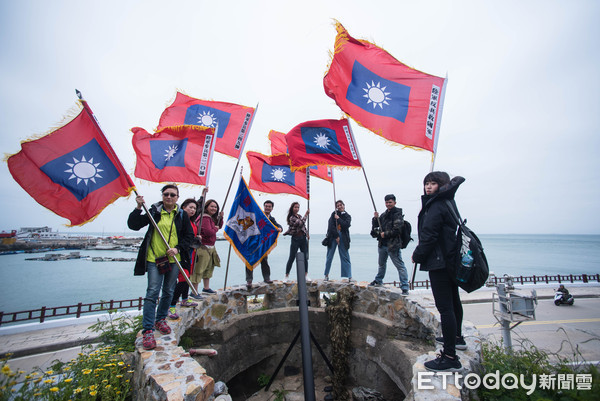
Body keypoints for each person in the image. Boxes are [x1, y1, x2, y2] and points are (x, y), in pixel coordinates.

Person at [128, 184, 194, 350]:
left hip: (174, 259)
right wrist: (138, 207)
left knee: (169, 291)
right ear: (162, 196)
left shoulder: (181, 215)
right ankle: (148, 329)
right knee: (152, 292)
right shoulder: (154, 212)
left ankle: (161, 319)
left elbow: (189, 237)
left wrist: (177, 248)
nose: (169, 197)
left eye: (173, 194)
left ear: (177, 197)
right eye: (166, 194)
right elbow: (134, 225)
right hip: (154, 259)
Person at [412, 171, 465, 372]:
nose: (428, 187)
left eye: (433, 183)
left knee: (445, 308)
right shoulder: (448, 202)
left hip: (439, 262)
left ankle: (450, 356)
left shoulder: (435, 205)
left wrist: (417, 255)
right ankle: (457, 337)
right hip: (451, 260)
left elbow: (429, 235)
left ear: (442, 185)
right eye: (426, 183)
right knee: (453, 301)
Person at [369, 194, 410, 295]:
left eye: (390, 202)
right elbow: (377, 227)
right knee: (381, 264)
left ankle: (404, 286)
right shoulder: (383, 215)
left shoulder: (397, 214)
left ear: (395, 203)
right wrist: (375, 219)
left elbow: (397, 230)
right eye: (386, 202)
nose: (388, 204)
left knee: (399, 265)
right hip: (382, 244)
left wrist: (385, 234)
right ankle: (379, 280)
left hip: (393, 245)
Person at [168, 198, 200, 319]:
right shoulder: (179, 219)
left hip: (190, 253)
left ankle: (185, 299)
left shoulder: (193, 222)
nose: (192, 210)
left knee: (188, 277)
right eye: (190, 207)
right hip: (181, 252)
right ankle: (171, 305)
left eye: (194, 208)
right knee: (183, 278)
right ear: (183, 207)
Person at [246, 200, 282, 290]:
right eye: (266, 206)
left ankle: (267, 278)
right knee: (250, 260)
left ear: (272, 208)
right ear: (264, 206)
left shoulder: (271, 219)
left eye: (269, 206)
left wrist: (280, 228)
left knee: (264, 261)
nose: (267, 208)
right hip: (254, 241)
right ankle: (249, 280)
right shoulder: (258, 215)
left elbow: (278, 225)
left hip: (263, 244)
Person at [191, 198, 224, 295]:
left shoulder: (210, 218)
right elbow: (209, 232)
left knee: (208, 268)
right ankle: (194, 291)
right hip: (203, 247)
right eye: (212, 206)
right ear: (206, 207)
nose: (214, 208)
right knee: (199, 269)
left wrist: (220, 218)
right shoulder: (204, 217)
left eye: (215, 207)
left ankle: (206, 287)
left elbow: (219, 226)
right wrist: (215, 229)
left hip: (210, 247)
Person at [323, 200, 352, 281]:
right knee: (329, 256)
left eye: (340, 205)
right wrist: (336, 236)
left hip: (343, 237)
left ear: (344, 205)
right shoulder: (333, 214)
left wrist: (338, 218)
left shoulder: (347, 216)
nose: (339, 207)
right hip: (333, 236)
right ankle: (326, 275)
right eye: (337, 205)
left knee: (345, 256)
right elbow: (331, 226)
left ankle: (349, 276)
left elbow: (346, 225)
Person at [283, 202, 310, 281]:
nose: (297, 209)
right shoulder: (291, 218)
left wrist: (307, 234)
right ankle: (286, 276)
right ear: (292, 208)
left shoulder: (300, 216)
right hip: (295, 239)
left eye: (298, 207)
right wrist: (306, 214)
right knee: (292, 257)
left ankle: (306, 275)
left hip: (303, 239)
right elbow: (300, 223)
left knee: (305, 257)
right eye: (295, 207)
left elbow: (303, 227)